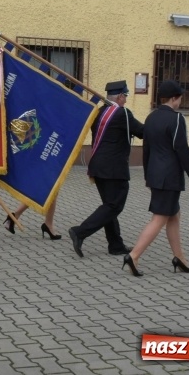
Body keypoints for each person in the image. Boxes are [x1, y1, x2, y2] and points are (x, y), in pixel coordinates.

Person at [122, 80, 189, 277]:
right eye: (180, 98)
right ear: (174, 99)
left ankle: (179, 257)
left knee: (173, 214)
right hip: (169, 176)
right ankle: (133, 255)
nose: (180, 101)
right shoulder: (176, 119)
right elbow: (182, 150)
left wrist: (148, 176)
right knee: (159, 218)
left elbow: (147, 150)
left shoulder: (151, 117)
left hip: (156, 175)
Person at [68, 80, 144, 257]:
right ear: (120, 96)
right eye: (125, 96)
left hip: (98, 166)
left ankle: (115, 245)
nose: (126, 100)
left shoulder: (100, 112)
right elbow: (142, 131)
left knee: (109, 206)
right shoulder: (122, 113)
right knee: (114, 206)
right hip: (114, 169)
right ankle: (80, 232)